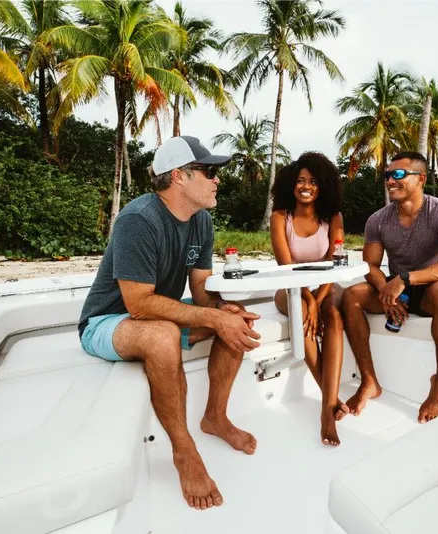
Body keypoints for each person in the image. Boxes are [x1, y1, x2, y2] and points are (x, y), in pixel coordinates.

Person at [78, 136, 262, 511]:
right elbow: (138, 303)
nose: (217, 180)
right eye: (209, 172)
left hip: (156, 314)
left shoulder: (202, 220)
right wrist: (208, 315)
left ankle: (215, 418)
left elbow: (200, 289)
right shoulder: (138, 219)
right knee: (163, 334)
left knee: (231, 316)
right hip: (107, 321)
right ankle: (184, 451)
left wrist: (220, 311)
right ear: (179, 176)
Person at [341, 151, 438, 424]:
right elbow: (371, 266)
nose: (390, 180)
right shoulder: (378, 220)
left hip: (432, 287)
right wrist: (386, 289)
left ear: (420, 178)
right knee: (351, 295)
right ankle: (369, 381)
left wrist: (406, 279)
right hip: (397, 286)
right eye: (388, 175)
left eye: (398, 174)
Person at [269, 152, 348, 446]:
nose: (306, 186)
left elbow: (334, 261)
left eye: (313, 181)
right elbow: (286, 267)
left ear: (322, 185)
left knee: (334, 316)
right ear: (291, 184)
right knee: (300, 310)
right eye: (300, 181)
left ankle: (326, 408)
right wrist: (309, 300)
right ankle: (330, 406)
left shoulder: (333, 217)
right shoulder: (280, 217)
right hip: (291, 286)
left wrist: (319, 298)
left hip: (326, 284)